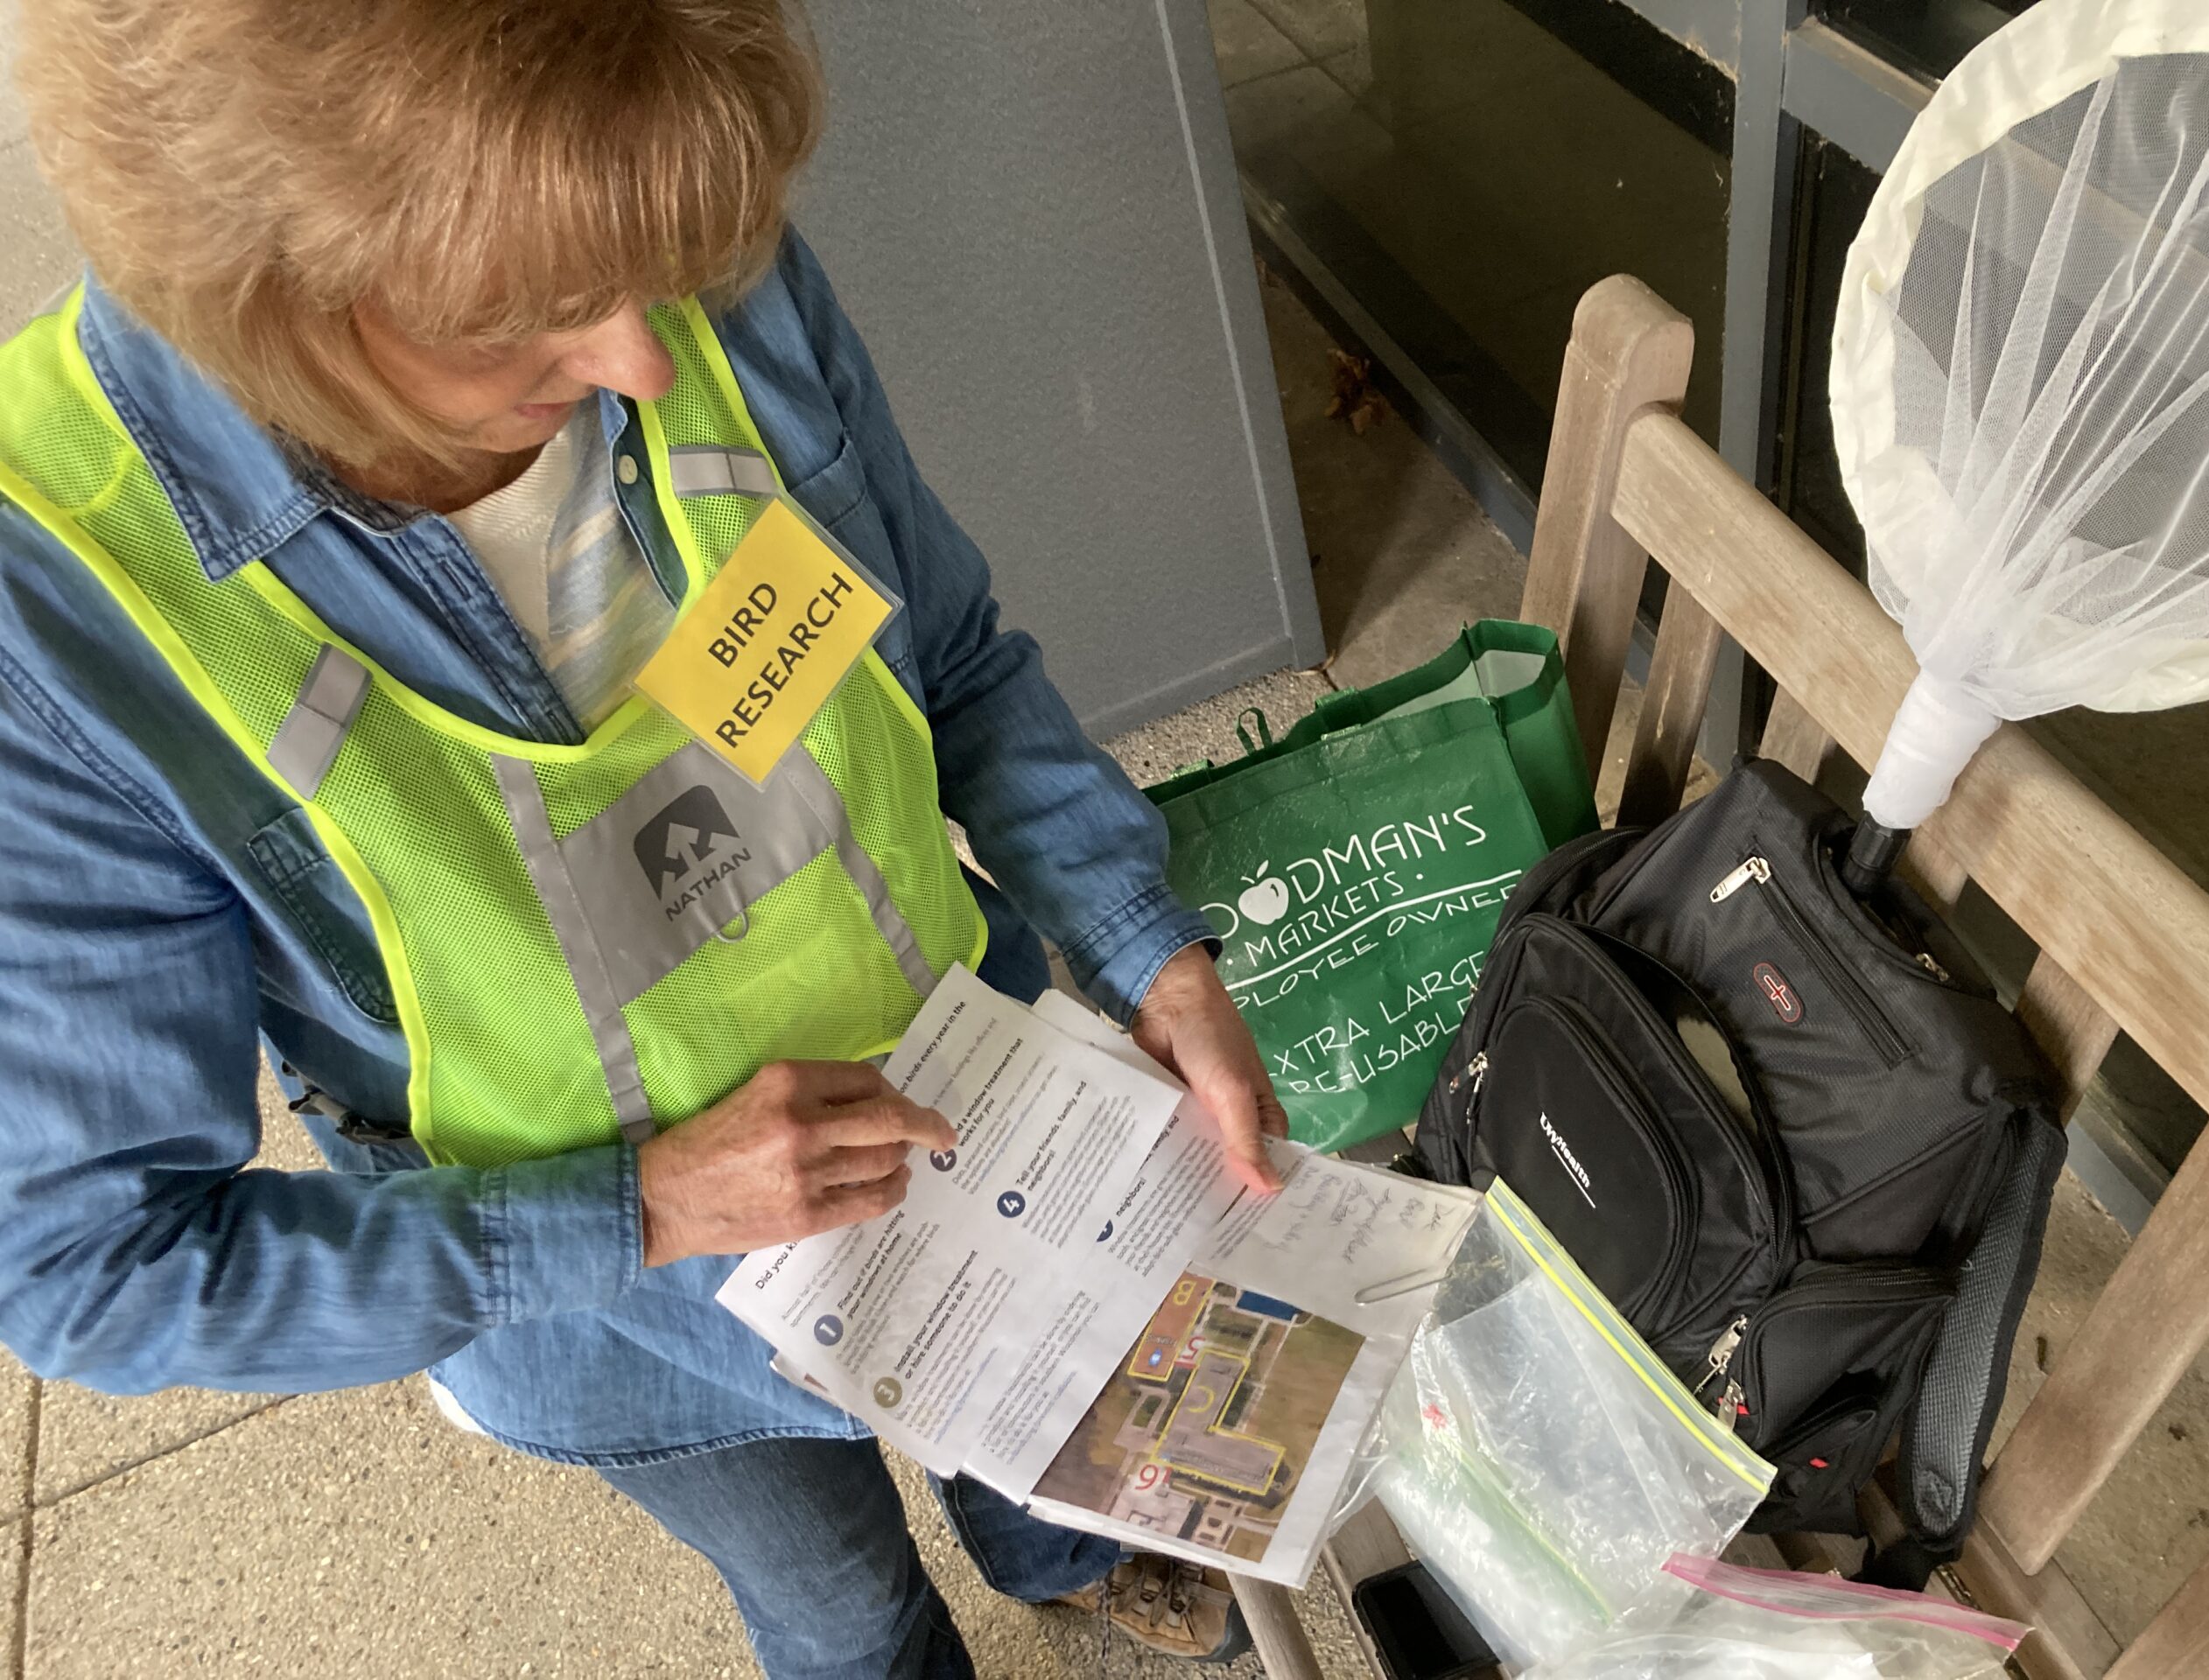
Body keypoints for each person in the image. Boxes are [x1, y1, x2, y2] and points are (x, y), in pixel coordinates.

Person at [0, 3, 1289, 1674]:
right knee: (840, 1606)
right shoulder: (57, 619)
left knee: (1044, 1454)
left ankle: (1060, 1561)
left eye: (658, 276)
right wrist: (645, 1212)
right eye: (526, 323)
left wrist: (1144, 950)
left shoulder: (648, 241)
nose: (645, 360)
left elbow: (948, 654)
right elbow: (100, 1268)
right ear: (280, 312)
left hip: (977, 1114)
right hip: (643, 1313)